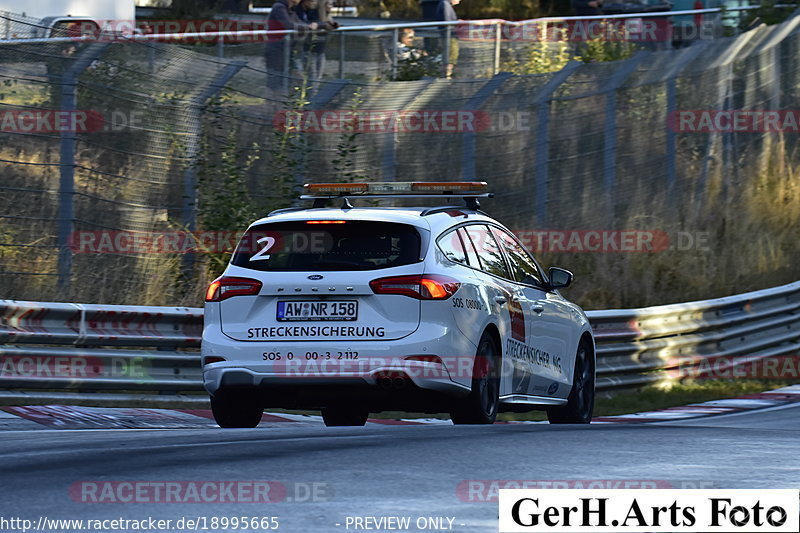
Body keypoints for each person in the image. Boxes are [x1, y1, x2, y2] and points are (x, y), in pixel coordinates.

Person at [266, 0, 318, 89]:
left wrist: (323, 25)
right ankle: (273, 101)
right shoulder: (279, 7)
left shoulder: (290, 10)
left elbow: (300, 23)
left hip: (287, 49)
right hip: (276, 49)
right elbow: (289, 25)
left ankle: (288, 98)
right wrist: (308, 27)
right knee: (275, 80)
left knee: (296, 78)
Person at [293, 0, 339, 81]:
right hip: (309, 49)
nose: (331, 6)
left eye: (332, 4)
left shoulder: (326, 16)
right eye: (329, 4)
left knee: (317, 78)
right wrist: (323, 26)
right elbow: (311, 25)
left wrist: (330, 25)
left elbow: (328, 25)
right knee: (311, 78)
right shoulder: (312, 12)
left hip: (320, 50)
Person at [435, 0, 460, 78]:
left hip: (450, 36)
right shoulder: (444, 4)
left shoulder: (445, 4)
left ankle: (446, 76)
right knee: (449, 58)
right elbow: (447, 21)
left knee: (451, 58)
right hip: (448, 36)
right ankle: (446, 77)